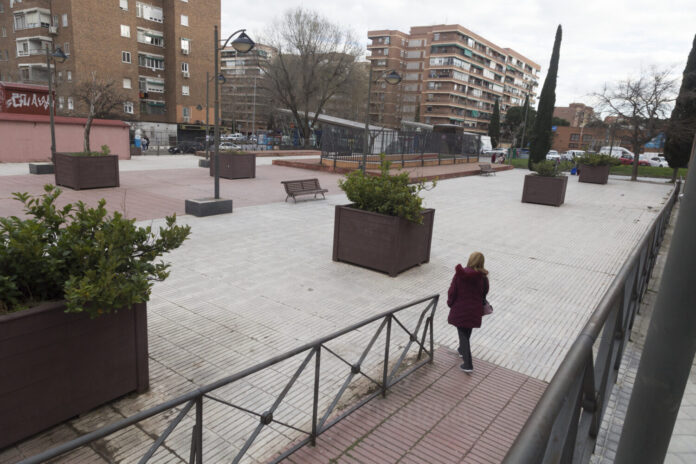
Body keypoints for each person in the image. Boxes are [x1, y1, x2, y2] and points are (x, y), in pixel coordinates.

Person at [447, 251, 489, 373]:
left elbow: (452, 291)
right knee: (467, 330)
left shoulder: (460, 275)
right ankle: (461, 350)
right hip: (474, 309)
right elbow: (485, 292)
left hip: (460, 309)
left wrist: (450, 303)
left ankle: (468, 364)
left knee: (462, 333)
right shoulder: (483, 277)